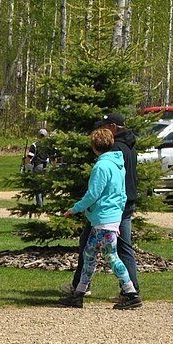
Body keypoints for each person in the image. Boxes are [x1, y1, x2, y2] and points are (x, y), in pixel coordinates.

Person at [58, 127, 142, 310]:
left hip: (103, 219)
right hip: (110, 218)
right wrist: (118, 218)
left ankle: (131, 293)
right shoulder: (118, 165)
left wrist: (75, 209)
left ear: (94, 146)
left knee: (110, 257)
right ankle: (79, 294)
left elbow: (92, 194)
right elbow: (122, 195)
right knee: (90, 255)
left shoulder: (101, 166)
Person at [24, 128, 50, 208]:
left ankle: (39, 204)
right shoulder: (49, 145)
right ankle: (42, 201)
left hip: (38, 166)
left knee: (37, 185)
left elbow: (30, 156)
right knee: (43, 185)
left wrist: (25, 163)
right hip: (47, 167)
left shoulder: (34, 145)